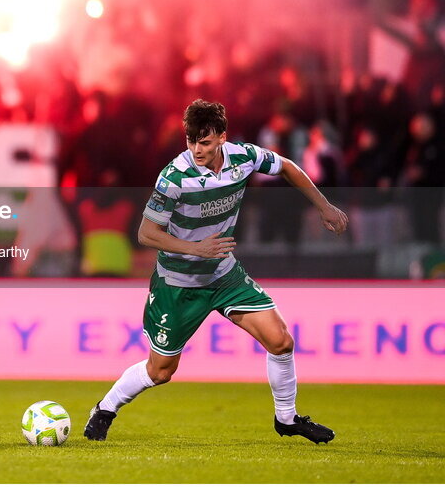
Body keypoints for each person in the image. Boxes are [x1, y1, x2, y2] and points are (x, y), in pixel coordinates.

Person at [84, 99, 348, 445]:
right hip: (178, 283)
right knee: (160, 371)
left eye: (204, 142)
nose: (196, 149)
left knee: (281, 341)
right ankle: (105, 408)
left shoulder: (243, 157)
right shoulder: (175, 176)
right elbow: (146, 233)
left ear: (222, 137)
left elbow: (286, 166)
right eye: (190, 140)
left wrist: (324, 206)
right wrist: (197, 248)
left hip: (224, 276)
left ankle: (287, 418)